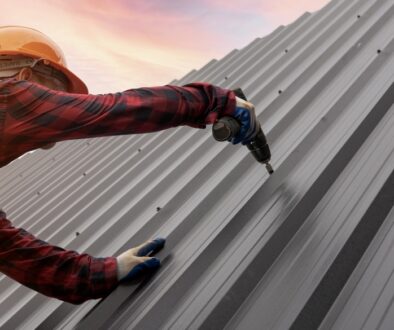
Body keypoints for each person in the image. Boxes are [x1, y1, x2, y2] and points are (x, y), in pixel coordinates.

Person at [0, 26, 260, 304]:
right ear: (25, 77)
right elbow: (111, 111)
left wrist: (100, 274)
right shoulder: (11, 97)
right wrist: (212, 100)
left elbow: (8, 249)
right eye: (53, 95)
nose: (56, 111)